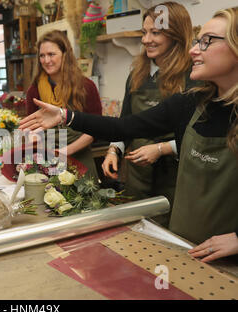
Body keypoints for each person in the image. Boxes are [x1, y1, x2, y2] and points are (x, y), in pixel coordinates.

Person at [19, 8, 238, 263]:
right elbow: (124, 126)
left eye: (207, 41)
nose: (193, 50)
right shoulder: (192, 103)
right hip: (186, 247)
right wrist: (66, 116)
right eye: (198, 40)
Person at [102, 2, 199, 227]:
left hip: (175, 178)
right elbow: (125, 121)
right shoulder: (137, 74)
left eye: (155, 32)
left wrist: (161, 149)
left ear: (176, 34)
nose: (146, 39)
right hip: (136, 177)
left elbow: (197, 136)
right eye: (144, 32)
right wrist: (114, 150)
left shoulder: (193, 77)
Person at [26, 30, 102, 182]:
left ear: (65, 55)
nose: (46, 60)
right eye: (42, 55)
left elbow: (95, 129)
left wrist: (64, 151)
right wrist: (34, 140)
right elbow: (31, 128)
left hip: (80, 160)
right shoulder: (34, 90)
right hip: (48, 162)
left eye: (51, 54)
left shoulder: (86, 87)